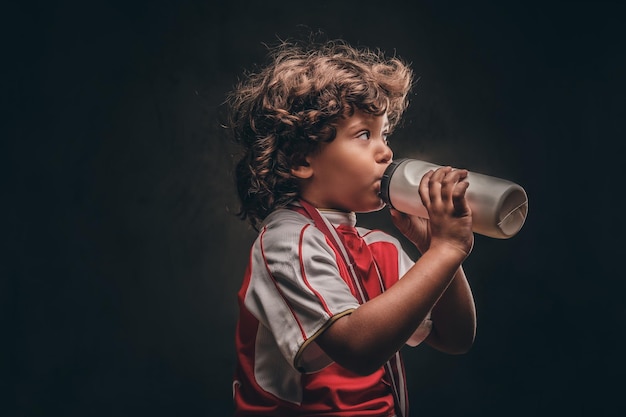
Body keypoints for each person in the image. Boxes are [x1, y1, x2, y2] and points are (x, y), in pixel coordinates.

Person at [224, 38, 477, 417]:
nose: (386, 152)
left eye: (385, 134)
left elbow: (454, 338)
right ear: (301, 159)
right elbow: (358, 349)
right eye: (364, 135)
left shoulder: (380, 247)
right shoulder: (286, 239)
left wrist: (438, 253)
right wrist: (445, 251)